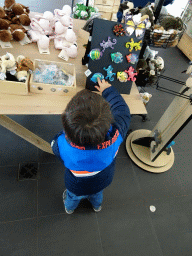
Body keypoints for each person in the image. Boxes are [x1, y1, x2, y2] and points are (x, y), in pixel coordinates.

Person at [51, 78, 131, 214]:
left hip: (76, 184)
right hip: (103, 179)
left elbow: (54, 145)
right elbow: (122, 110)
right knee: (97, 194)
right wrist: (108, 90)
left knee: (72, 197)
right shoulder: (117, 133)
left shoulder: (62, 145)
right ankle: (96, 206)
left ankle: (69, 208)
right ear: (109, 120)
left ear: (68, 131)